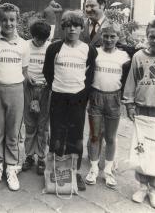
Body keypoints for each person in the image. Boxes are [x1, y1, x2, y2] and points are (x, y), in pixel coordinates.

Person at [43, 10, 97, 192]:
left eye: (76, 25)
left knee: (75, 137)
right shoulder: (54, 48)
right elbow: (47, 73)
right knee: (57, 134)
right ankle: (57, 169)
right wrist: (57, 87)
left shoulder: (89, 50)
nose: (72, 29)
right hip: (58, 96)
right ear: (63, 28)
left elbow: (89, 76)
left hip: (78, 98)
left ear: (82, 28)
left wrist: (82, 94)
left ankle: (74, 172)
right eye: (68, 26)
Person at [0, 3, 30, 191]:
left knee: (13, 132)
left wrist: (23, 98)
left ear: (17, 21)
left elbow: (25, 73)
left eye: (12, 20)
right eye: (4, 20)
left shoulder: (23, 44)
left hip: (16, 91)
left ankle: (11, 168)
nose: (8, 23)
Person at [123, 18, 155, 210]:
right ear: (147, 37)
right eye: (152, 36)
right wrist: (130, 104)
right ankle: (141, 186)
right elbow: (131, 82)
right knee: (141, 148)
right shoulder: (139, 57)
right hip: (142, 109)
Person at [84, 23, 131, 189]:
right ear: (101, 36)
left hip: (114, 99)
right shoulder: (94, 52)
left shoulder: (124, 56)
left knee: (111, 137)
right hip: (96, 96)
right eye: (106, 36)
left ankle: (108, 169)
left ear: (118, 37)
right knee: (94, 135)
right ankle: (94, 168)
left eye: (113, 36)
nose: (109, 39)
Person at [21, 19, 51, 175]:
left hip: (45, 89)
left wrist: (48, 79)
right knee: (30, 124)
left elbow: (54, 68)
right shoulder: (25, 45)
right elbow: (20, 66)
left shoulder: (50, 47)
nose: (40, 42)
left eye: (43, 39)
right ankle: (29, 155)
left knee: (43, 125)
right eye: (37, 38)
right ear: (33, 35)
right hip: (29, 88)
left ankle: (41, 156)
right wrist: (26, 77)